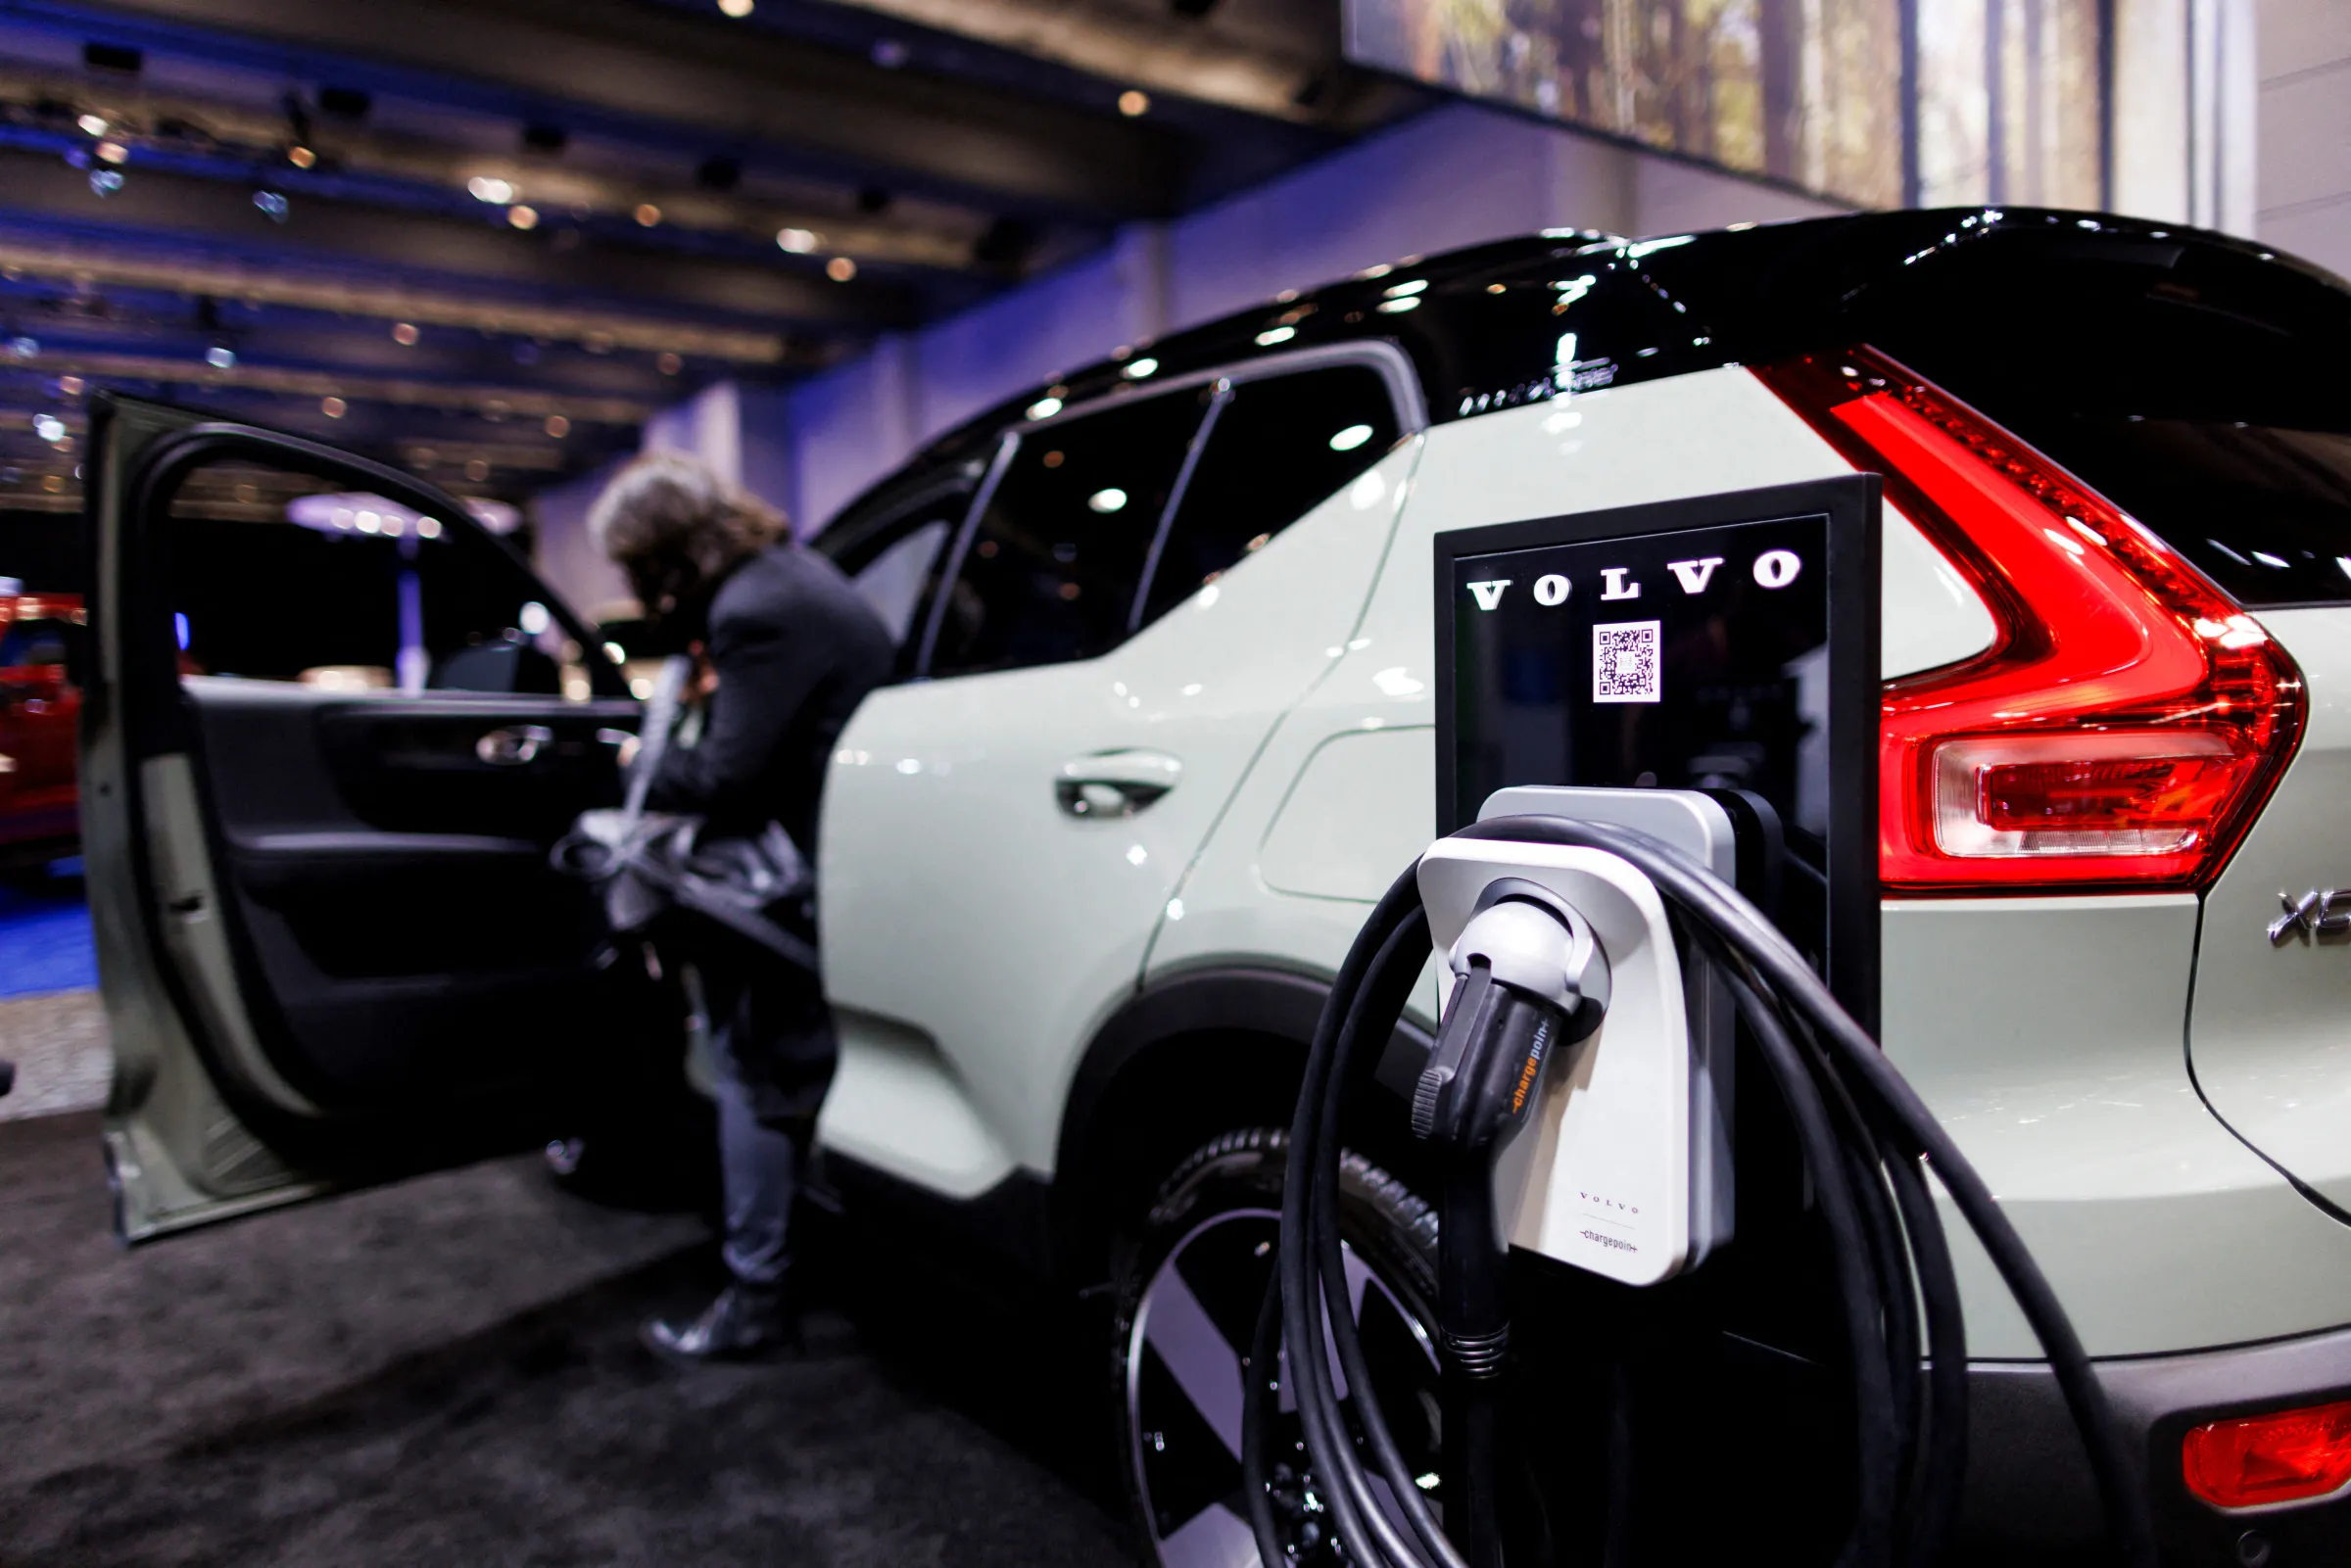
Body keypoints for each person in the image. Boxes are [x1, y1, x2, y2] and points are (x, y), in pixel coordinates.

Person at [587, 453, 893, 1362]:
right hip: (852, 853)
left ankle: (758, 1290)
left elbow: (725, 774)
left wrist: (623, 760)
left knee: (751, 1066)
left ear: (664, 554)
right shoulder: (791, 574)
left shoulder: (752, 609)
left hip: (796, 874)